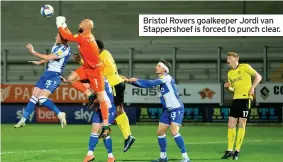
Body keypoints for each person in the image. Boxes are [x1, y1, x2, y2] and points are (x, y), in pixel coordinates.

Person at [72, 40, 135, 152]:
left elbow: (103, 69)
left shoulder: (103, 55)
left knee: (116, 109)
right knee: (119, 110)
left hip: (114, 83)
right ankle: (127, 136)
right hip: (116, 82)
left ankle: (124, 135)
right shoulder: (103, 54)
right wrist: (81, 61)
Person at [124, 59, 190, 162]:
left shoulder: (166, 78)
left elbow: (150, 83)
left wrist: (136, 79)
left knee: (174, 131)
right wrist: (129, 81)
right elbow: (144, 85)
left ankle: (186, 157)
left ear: (164, 69)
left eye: (158, 66)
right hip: (167, 110)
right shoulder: (161, 81)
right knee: (160, 132)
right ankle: (163, 157)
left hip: (176, 108)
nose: (156, 67)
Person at [55, 16, 110, 134]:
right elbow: (70, 36)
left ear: (86, 26)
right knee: (71, 79)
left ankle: (106, 125)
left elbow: (66, 36)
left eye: (81, 23)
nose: (79, 24)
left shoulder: (84, 38)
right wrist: (64, 25)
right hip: (86, 68)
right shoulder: (83, 37)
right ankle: (90, 95)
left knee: (101, 97)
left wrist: (59, 25)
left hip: (96, 71)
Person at [14, 33, 70, 128]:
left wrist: (34, 52)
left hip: (54, 75)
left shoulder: (65, 49)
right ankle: (23, 120)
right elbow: (50, 58)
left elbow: (49, 57)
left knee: (42, 99)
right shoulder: (56, 45)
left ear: (63, 38)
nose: (55, 37)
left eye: (57, 36)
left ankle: (60, 114)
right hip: (46, 74)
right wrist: (40, 62)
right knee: (34, 97)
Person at [222, 52, 262, 160]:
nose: (228, 60)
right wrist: (228, 87)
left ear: (236, 58)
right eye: (227, 58)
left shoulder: (245, 67)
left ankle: (237, 150)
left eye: (230, 58)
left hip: (246, 98)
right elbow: (233, 88)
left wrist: (253, 87)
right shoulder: (230, 73)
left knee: (242, 123)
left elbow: (258, 76)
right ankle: (229, 150)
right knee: (231, 123)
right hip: (236, 99)